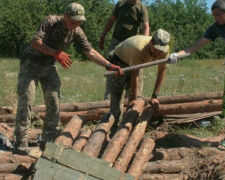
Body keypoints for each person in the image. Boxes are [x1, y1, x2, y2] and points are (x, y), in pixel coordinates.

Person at [14, 2, 123, 154]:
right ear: (65, 16)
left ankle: (48, 138)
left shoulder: (77, 31)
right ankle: (21, 139)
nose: (75, 25)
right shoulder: (50, 21)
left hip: (48, 65)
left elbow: (90, 52)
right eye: (73, 21)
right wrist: (56, 53)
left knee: (54, 99)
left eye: (78, 22)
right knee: (27, 98)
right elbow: (36, 42)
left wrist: (109, 66)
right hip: (30, 63)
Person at [168, 0, 225, 149]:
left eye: (218, 15)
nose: (216, 18)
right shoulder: (216, 28)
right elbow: (197, 45)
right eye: (214, 15)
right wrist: (177, 55)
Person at [108, 29, 170, 126]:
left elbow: (161, 71)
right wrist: (133, 97)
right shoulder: (139, 48)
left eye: (160, 50)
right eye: (155, 49)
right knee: (117, 95)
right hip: (119, 60)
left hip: (138, 63)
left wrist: (155, 96)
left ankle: (129, 122)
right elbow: (135, 74)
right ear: (150, 42)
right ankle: (112, 125)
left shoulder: (165, 50)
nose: (157, 53)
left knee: (137, 98)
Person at [99, 0, 150, 100]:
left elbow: (146, 26)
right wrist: (103, 36)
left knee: (136, 70)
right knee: (112, 66)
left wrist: (145, 43)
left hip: (133, 44)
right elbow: (111, 20)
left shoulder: (141, 8)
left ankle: (133, 100)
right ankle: (109, 100)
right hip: (117, 42)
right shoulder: (120, 4)